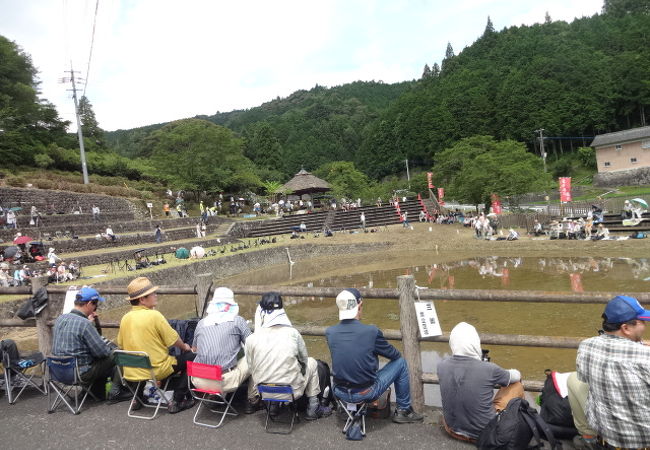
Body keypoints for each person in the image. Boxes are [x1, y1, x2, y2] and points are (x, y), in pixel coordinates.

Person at [326, 288, 424, 424]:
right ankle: (403, 410)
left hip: (340, 392)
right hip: (365, 392)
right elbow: (395, 355)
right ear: (359, 305)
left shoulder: (330, 332)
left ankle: (346, 409)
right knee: (401, 363)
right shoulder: (371, 331)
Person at [570, 295, 650, 449]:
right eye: (643, 322)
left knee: (574, 379)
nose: (645, 327)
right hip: (644, 440)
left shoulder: (586, 345)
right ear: (626, 328)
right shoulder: (646, 357)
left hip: (609, 437)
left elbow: (583, 377)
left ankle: (588, 437)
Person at [245, 292, 331, 420]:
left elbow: (251, 367)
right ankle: (313, 407)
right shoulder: (293, 334)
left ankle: (273, 406)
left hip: (264, 391)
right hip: (291, 391)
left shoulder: (251, 339)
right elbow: (303, 362)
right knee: (311, 362)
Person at [117, 277, 196, 413]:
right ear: (142, 299)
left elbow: (120, 344)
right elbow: (173, 339)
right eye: (152, 293)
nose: (155, 295)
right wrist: (186, 347)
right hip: (156, 369)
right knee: (192, 357)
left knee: (141, 360)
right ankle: (177, 400)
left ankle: (138, 398)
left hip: (132, 370)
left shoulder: (125, 318)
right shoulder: (154, 315)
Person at [437, 322, 523, 442]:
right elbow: (516, 376)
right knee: (516, 385)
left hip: (451, 429)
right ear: (475, 343)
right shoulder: (489, 368)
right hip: (484, 436)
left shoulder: (442, 365)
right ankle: (517, 424)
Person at [51, 287, 128, 402]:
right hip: (79, 374)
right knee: (118, 354)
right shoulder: (85, 324)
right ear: (89, 303)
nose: (95, 308)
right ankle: (115, 391)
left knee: (92, 359)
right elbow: (103, 352)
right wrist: (90, 325)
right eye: (95, 305)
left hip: (57, 372)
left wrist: (93, 324)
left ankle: (90, 392)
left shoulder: (60, 319)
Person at [191, 287, 259, 413]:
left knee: (215, 361)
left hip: (198, 380)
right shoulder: (237, 321)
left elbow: (194, 349)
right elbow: (253, 345)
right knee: (255, 357)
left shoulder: (201, 323)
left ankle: (213, 396)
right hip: (223, 382)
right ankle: (252, 399)